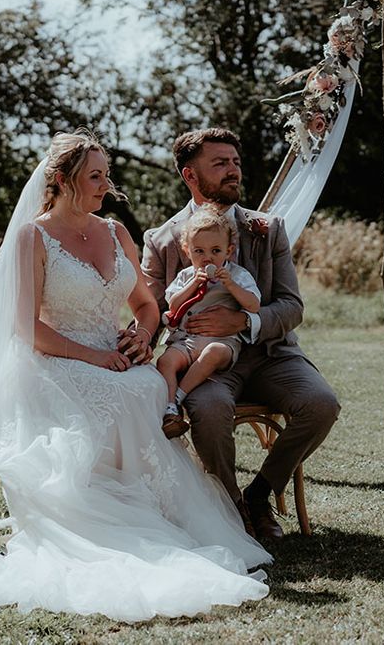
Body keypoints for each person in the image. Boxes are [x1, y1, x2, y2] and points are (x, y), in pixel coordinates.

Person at [0, 130, 271, 620]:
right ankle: (118, 514)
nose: (106, 185)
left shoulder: (115, 232)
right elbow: (25, 328)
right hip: (55, 361)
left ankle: (161, 511)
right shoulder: (32, 237)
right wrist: (93, 356)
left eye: (106, 174)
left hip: (120, 357)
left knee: (149, 383)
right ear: (62, 181)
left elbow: (147, 305)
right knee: (122, 392)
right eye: (95, 176)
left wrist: (144, 337)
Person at [142, 127, 340, 540]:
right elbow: (150, 309)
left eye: (235, 162)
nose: (233, 171)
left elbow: (292, 306)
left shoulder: (269, 228)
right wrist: (168, 320)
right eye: (220, 164)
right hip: (205, 364)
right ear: (189, 176)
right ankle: (230, 508)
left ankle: (259, 495)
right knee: (210, 413)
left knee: (321, 404)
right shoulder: (161, 240)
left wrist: (243, 322)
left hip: (271, 354)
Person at [157, 206, 260, 439]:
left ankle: (178, 397)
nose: (207, 258)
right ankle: (170, 409)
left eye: (216, 250)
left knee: (213, 352)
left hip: (222, 342)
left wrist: (231, 285)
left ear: (228, 251)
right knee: (166, 360)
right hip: (188, 341)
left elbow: (253, 305)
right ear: (187, 250)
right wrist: (193, 283)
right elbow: (173, 304)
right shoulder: (186, 276)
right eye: (199, 251)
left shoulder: (238, 274)